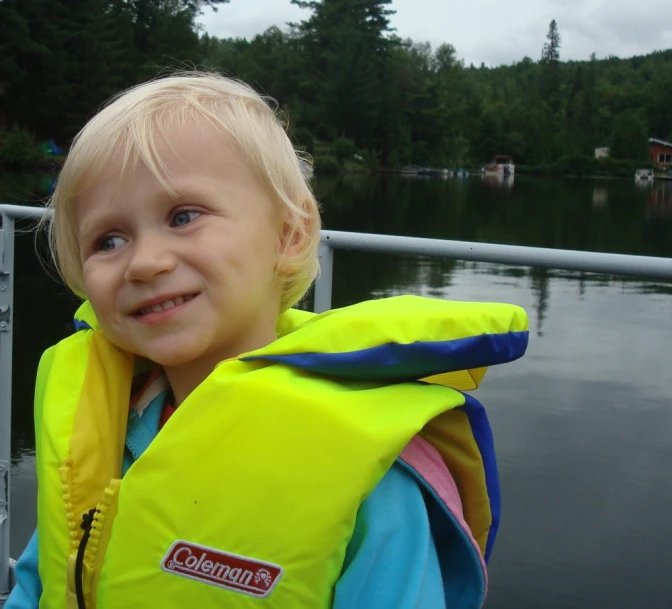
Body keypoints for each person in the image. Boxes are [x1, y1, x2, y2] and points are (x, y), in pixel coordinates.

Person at [6, 72, 528, 609]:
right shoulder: (105, 423)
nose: (143, 263)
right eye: (107, 240)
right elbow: (41, 582)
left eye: (183, 216)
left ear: (289, 235)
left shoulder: (371, 477)